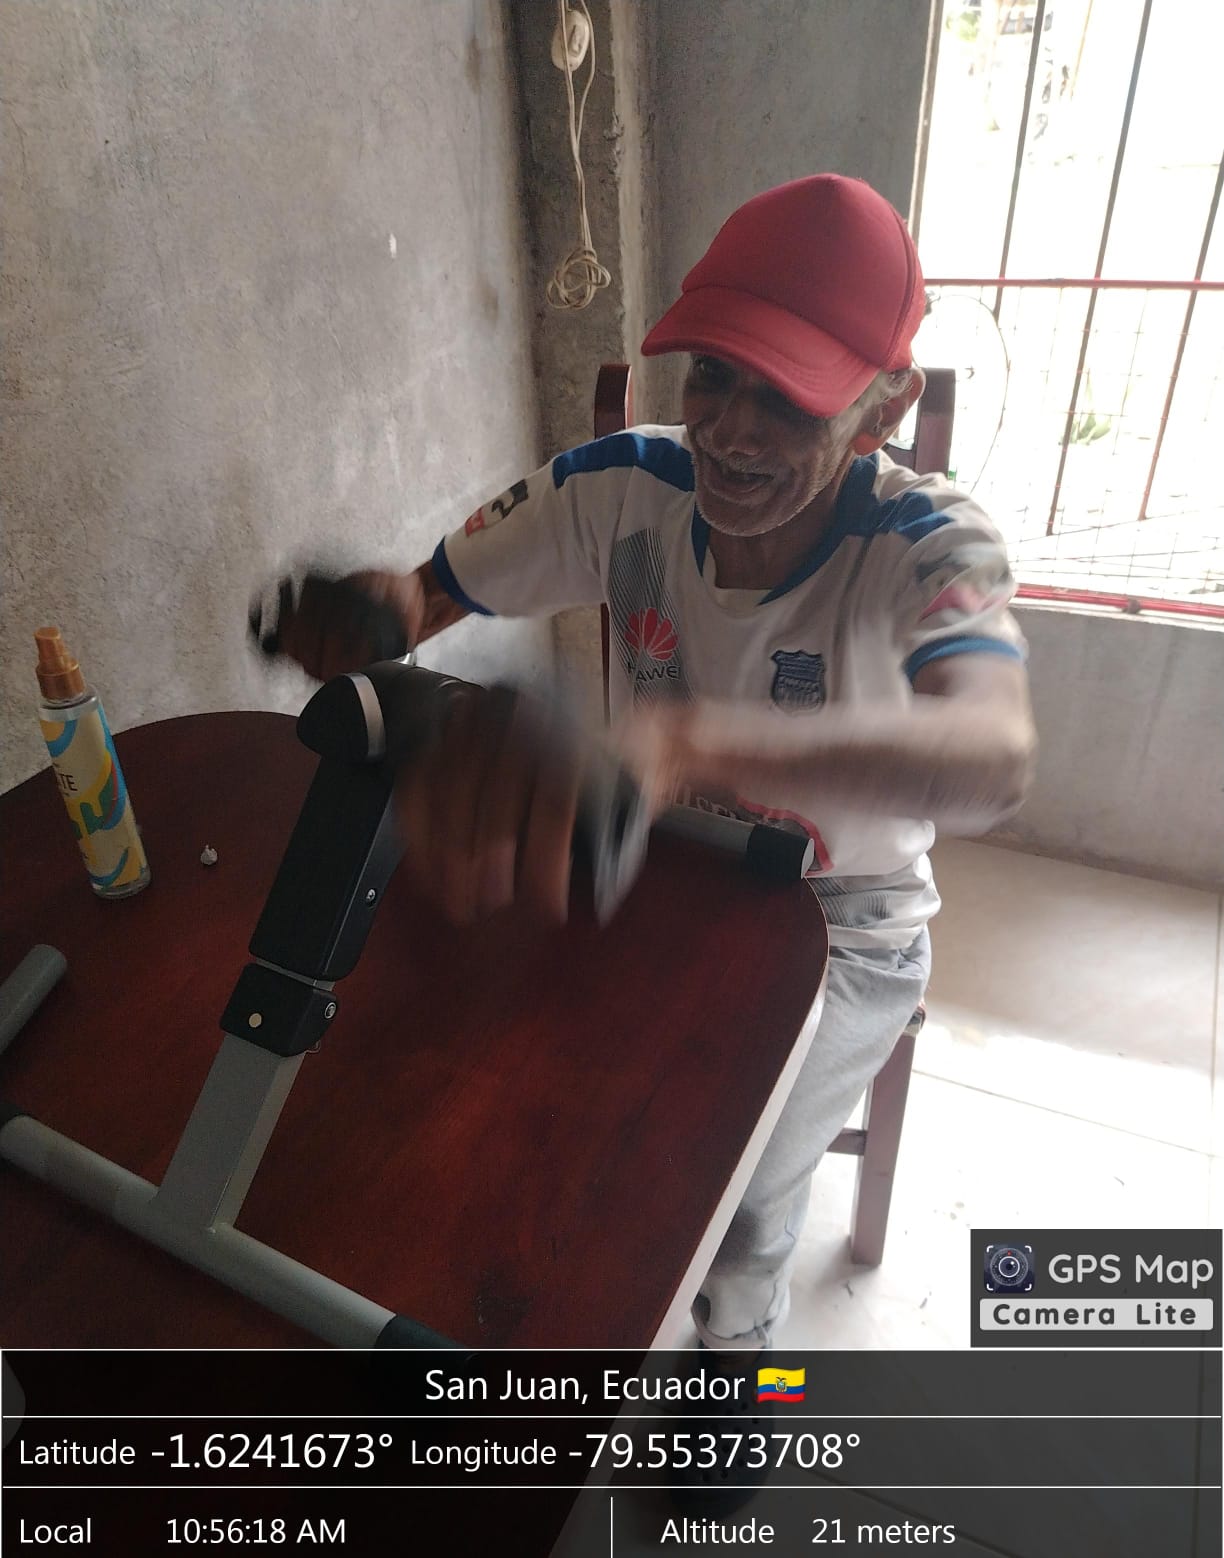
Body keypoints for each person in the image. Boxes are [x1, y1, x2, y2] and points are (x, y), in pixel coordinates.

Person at [267, 173, 1036, 1357]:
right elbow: (430, 593)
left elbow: (993, 755)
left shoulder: (930, 541)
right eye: (714, 374)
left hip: (845, 921)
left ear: (883, 410)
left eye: (787, 399)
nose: (730, 432)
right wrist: (380, 613)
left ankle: (746, 1369)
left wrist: (684, 744)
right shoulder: (625, 482)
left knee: (735, 1201)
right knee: (504, 1098)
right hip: (653, 860)